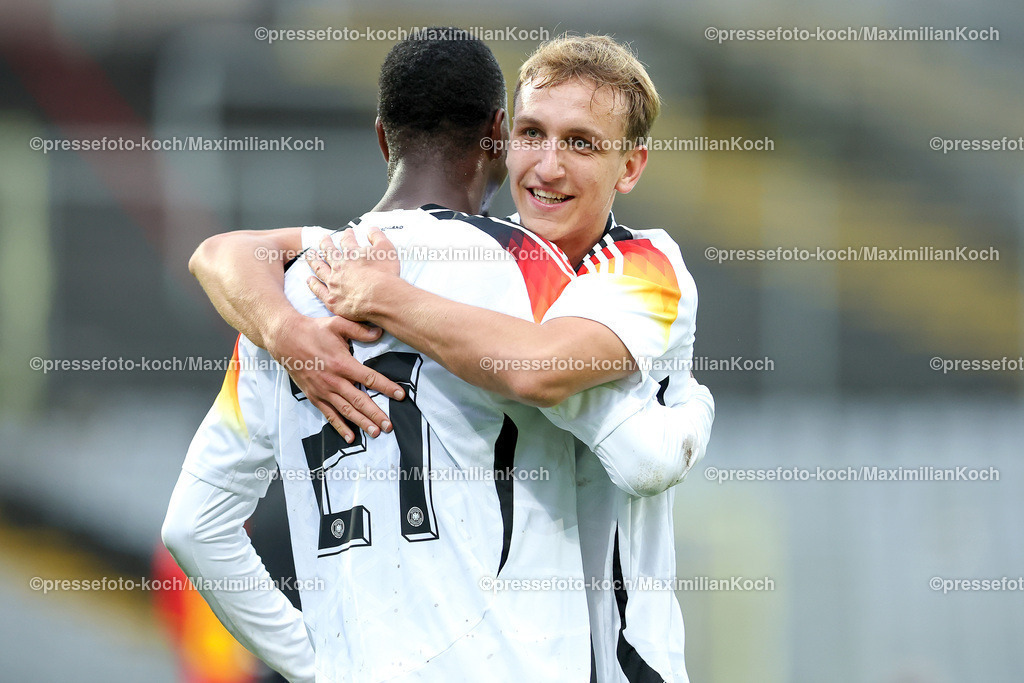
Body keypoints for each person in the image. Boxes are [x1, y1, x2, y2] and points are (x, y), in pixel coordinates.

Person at [165, 30, 711, 683]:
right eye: (535, 134)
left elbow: (194, 528)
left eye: (582, 143)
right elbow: (640, 450)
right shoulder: (529, 278)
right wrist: (691, 408)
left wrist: (313, 664)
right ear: (500, 133)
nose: (549, 163)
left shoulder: (313, 277)